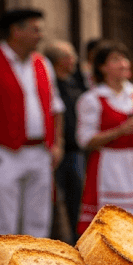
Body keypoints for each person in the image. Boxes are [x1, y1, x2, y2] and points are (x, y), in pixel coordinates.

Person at [0, 8, 65, 237]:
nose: (40, 35)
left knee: (39, 223)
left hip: (40, 151)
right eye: (35, 30)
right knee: (3, 225)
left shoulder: (43, 64)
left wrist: (58, 143)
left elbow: (55, 107)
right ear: (16, 31)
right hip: (3, 153)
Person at [76, 41, 133, 232]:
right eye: (116, 60)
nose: (124, 63)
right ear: (102, 67)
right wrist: (119, 131)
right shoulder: (92, 99)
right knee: (110, 225)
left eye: (124, 58)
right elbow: (85, 140)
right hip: (108, 167)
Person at [43, 40, 86, 242]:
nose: (75, 61)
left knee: (76, 198)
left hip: (74, 151)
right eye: (70, 56)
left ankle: (76, 241)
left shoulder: (75, 82)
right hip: (52, 152)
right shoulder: (48, 83)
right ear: (61, 60)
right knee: (50, 201)